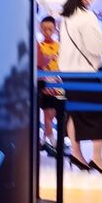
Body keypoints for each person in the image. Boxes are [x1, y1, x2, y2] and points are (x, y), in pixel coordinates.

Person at [59, 0, 102, 173]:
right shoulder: (87, 17)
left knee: (75, 113)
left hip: (67, 74)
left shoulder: (66, 16)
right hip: (86, 74)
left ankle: (76, 154)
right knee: (100, 113)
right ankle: (96, 158)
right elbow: (95, 46)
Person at [37, 15, 61, 152]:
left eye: (50, 29)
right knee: (47, 113)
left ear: (55, 29)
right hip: (45, 83)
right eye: (44, 29)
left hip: (59, 83)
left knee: (56, 112)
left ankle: (44, 140)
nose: (47, 32)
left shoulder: (59, 46)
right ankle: (53, 143)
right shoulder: (38, 46)